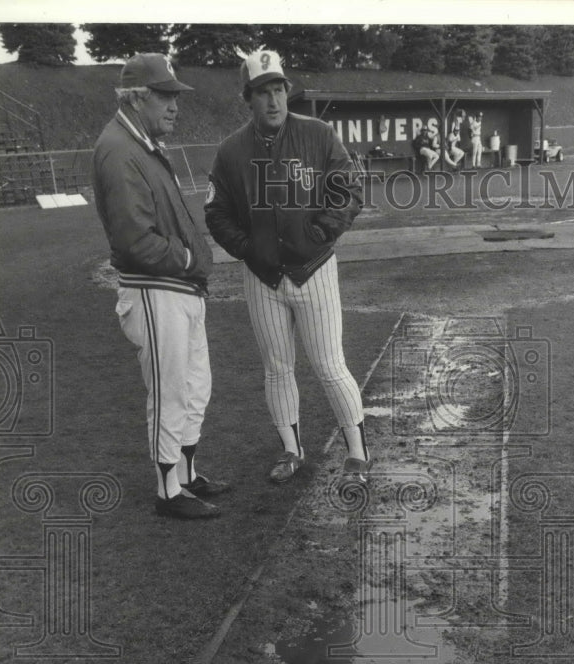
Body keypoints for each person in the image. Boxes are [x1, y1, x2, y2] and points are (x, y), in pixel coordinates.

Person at [205, 49, 371, 485]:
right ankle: (291, 449)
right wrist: (246, 247)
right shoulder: (230, 152)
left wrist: (321, 233)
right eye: (263, 92)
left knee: (329, 364)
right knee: (277, 367)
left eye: (278, 89)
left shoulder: (317, 134)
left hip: (314, 270)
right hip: (262, 277)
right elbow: (216, 212)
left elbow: (349, 190)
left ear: (286, 91)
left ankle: (357, 452)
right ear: (249, 98)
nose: (273, 100)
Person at [92, 52, 229, 520]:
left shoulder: (140, 143)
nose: (175, 106)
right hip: (155, 288)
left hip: (177, 289)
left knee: (195, 385)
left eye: (175, 96)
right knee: (170, 391)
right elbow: (134, 242)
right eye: (166, 96)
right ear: (137, 97)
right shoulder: (119, 149)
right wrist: (191, 258)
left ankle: (187, 474)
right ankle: (167, 491)